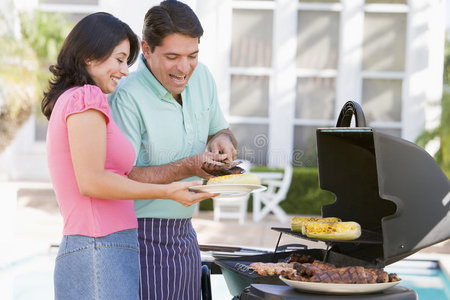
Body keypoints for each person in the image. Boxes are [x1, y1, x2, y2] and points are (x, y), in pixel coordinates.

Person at [41, 12, 215, 300]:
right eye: (119, 59)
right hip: (99, 248)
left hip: (102, 247)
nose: (124, 70)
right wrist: (167, 191)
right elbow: (93, 182)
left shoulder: (76, 100)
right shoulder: (86, 98)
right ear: (90, 56)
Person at [108, 1, 238, 299]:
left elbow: (221, 129)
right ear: (147, 49)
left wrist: (224, 141)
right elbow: (121, 178)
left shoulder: (202, 76)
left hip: (185, 234)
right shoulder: (127, 96)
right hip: (140, 236)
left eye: (192, 55)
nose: (184, 68)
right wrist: (186, 167)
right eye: (172, 56)